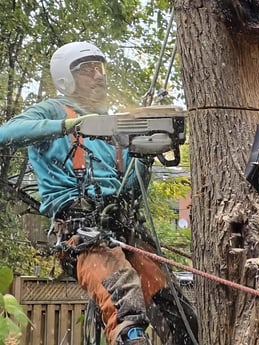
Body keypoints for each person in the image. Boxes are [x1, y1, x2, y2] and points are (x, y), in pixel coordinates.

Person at [0, 42, 198, 345]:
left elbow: (131, 189)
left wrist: (143, 153)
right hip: (83, 230)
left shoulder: (112, 126)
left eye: (100, 68)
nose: (98, 75)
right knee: (124, 303)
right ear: (67, 78)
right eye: (88, 70)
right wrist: (70, 125)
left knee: (177, 313)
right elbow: (6, 134)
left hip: (123, 226)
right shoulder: (53, 110)